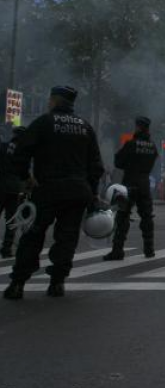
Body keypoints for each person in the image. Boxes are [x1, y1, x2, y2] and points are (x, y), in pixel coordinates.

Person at [4, 86, 104, 300]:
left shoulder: (44, 122)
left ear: (55, 100)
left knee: (33, 235)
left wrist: (26, 178)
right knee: (67, 238)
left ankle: (18, 284)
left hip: (48, 189)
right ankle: (57, 283)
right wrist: (92, 193)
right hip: (78, 192)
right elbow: (96, 167)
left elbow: (20, 153)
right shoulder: (85, 127)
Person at [104, 116, 159, 261]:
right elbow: (153, 164)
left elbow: (119, 162)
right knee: (147, 216)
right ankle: (149, 249)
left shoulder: (131, 144)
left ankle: (117, 250)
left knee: (123, 216)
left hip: (129, 183)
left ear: (138, 127)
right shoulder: (152, 146)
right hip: (144, 183)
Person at [0, 127, 26, 258]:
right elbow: (24, 172)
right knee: (11, 220)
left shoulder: (3, 146)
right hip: (14, 189)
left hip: (1, 185)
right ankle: (6, 249)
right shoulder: (23, 152)